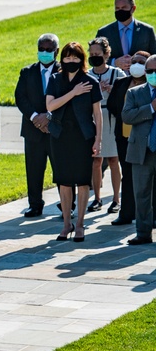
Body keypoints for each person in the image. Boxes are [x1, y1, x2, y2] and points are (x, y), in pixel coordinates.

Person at [46, 42, 103, 242]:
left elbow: (97, 114)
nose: (71, 61)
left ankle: (79, 224)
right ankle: (66, 224)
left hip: (83, 136)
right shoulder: (55, 80)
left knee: (82, 180)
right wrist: (73, 92)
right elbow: (51, 106)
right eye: (67, 58)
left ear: (82, 60)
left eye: (75, 58)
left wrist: (98, 140)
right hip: (60, 136)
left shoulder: (90, 82)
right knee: (64, 181)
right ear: (62, 59)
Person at [14, 33, 60, 218]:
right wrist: (35, 117)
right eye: (41, 49)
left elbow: (66, 98)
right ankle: (35, 204)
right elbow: (20, 98)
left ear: (56, 51)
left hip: (56, 129)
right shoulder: (27, 72)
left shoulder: (63, 71)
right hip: (33, 130)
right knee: (33, 169)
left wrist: (48, 117)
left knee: (61, 169)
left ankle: (67, 204)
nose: (45, 52)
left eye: (49, 50)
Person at [108, 52, 155, 226]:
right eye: (133, 61)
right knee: (128, 176)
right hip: (126, 138)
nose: (136, 65)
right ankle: (127, 212)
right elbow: (115, 106)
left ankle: (152, 217)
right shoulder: (122, 84)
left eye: (141, 62)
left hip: (149, 139)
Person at [86, 37, 126, 213]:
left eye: (98, 54)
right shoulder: (87, 75)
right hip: (94, 117)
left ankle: (116, 199)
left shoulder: (117, 74)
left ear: (106, 54)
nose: (95, 57)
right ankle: (97, 198)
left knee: (113, 159)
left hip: (111, 118)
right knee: (96, 161)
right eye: (92, 54)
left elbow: (127, 94)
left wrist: (112, 90)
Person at [121, 55, 156, 245]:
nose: (152, 75)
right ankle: (143, 233)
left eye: (155, 71)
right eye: (149, 71)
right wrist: (150, 108)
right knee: (141, 194)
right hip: (141, 151)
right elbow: (126, 116)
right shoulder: (135, 93)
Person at [97, 0, 156, 70]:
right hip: (114, 78)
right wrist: (114, 62)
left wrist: (140, 62)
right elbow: (96, 58)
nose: (120, 11)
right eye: (117, 8)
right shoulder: (104, 32)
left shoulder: (147, 31)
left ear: (133, 9)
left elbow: (154, 56)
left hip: (141, 77)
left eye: (124, 8)